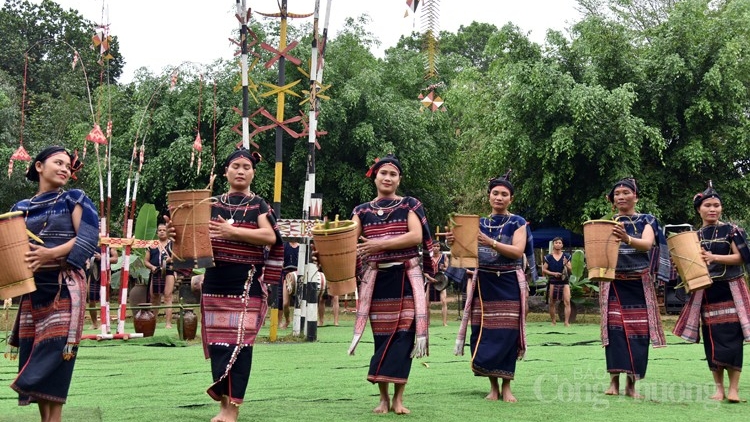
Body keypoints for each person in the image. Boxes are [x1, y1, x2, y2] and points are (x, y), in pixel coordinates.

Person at [167, 148, 283, 422]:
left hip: (246, 283)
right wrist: (176, 233)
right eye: (236, 166)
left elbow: (270, 237)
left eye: (246, 167)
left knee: (241, 345)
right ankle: (223, 406)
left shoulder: (259, 205)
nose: (241, 171)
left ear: (253, 173)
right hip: (215, 282)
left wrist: (233, 232)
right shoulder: (210, 204)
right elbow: (189, 239)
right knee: (220, 344)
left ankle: (232, 409)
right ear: (226, 172)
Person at [8, 146, 99, 422]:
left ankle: (54, 419)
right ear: (38, 167)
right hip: (33, 288)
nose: (64, 169)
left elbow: (89, 236)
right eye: (57, 162)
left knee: (57, 349)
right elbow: (12, 249)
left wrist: (50, 253)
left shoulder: (74, 198)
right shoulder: (20, 209)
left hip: (65, 283)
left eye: (68, 166)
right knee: (33, 347)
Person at [348, 154, 435, 415]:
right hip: (377, 282)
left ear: (399, 179)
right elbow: (349, 240)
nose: (387, 178)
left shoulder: (410, 205)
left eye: (393, 174)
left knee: (404, 338)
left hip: (407, 278)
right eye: (383, 173)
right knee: (382, 338)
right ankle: (383, 399)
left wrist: (379, 244)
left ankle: (398, 398)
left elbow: (416, 236)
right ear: (375, 177)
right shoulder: (361, 211)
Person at [451, 171, 534, 403]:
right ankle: (493, 387)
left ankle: (507, 386)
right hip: (484, 284)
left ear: (511, 199)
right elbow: (467, 254)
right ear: (488, 196)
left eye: (504, 194)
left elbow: (517, 252)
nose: (499, 197)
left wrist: (489, 242)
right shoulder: (479, 223)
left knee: (507, 334)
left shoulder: (518, 222)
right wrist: (456, 242)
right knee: (485, 333)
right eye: (495, 193)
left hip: (508, 282)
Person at [673, 182, 750, 403]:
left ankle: (734, 390)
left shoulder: (732, 230)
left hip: (731, 290)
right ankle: (719, 389)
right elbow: (690, 264)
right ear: (699, 209)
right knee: (711, 339)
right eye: (708, 205)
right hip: (706, 292)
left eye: (716, 205)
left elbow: (741, 258)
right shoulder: (692, 236)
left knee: (734, 340)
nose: (713, 209)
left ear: (721, 208)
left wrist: (714, 257)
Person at [601, 177, 669, 398]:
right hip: (614, 284)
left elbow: (647, 244)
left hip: (639, 282)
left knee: (639, 333)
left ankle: (632, 386)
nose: (621, 196)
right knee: (614, 332)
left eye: (626, 192)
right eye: (617, 193)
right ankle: (613, 382)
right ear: (612, 200)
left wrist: (627, 238)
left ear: (636, 197)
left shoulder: (647, 220)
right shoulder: (607, 222)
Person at [144, 223, 175, 328]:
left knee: (168, 296)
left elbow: (178, 256)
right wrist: (152, 267)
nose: (162, 231)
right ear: (157, 233)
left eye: (164, 230)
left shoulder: (172, 244)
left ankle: (168, 323)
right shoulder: (151, 245)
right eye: (160, 230)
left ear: (167, 232)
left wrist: (170, 259)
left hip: (169, 272)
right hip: (155, 272)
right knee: (154, 297)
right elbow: (146, 261)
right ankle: (154, 322)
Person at [86, 247, 118, 330]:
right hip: (93, 272)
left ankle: (103, 323)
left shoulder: (109, 244)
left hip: (105, 273)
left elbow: (115, 259)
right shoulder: (91, 242)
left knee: (104, 299)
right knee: (91, 299)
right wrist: (86, 261)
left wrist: (102, 258)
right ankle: (94, 323)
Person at [542, 237, 572, 326]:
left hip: (564, 281)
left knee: (567, 301)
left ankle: (566, 322)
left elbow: (571, 269)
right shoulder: (549, 257)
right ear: (553, 244)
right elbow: (544, 270)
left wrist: (566, 264)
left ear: (562, 245)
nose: (558, 244)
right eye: (556, 243)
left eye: (559, 243)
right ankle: (553, 321)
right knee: (552, 302)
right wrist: (553, 273)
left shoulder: (566, 256)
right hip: (553, 281)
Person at [423, 242, 449, 326]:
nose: (436, 248)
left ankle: (444, 323)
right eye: (434, 246)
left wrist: (443, 268)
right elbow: (424, 272)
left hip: (441, 282)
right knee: (427, 304)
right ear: (431, 247)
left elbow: (447, 269)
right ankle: (428, 322)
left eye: (438, 246)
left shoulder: (444, 257)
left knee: (444, 301)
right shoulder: (428, 258)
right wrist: (430, 279)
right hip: (430, 282)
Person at [280, 241, 299, 329]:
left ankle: (299, 322)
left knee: (299, 303)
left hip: (299, 277)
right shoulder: (285, 245)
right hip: (287, 277)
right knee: (285, 303)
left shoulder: (302, 247)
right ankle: (287, 320)